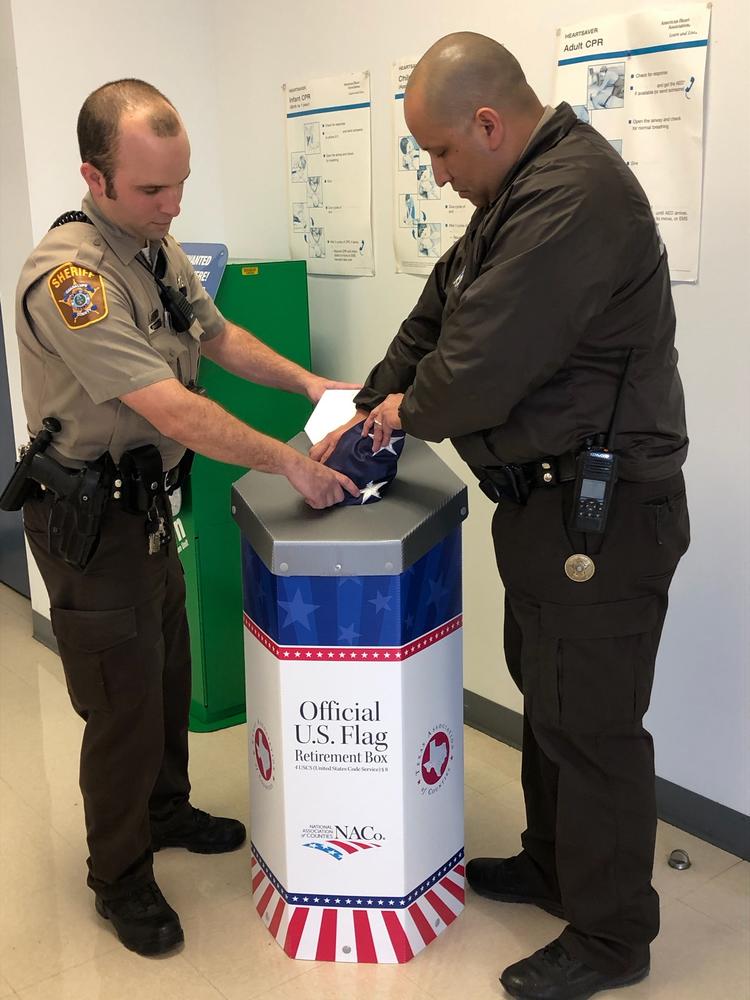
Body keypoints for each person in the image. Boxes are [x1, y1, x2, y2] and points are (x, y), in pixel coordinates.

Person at [311, 32, 689, 1000]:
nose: (436, 176)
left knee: (594, 724)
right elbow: (436, 319)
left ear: (489, 122)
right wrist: (363, 405)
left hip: (598, 514)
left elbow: (475, 370)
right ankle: (557, 866)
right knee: (553, 700)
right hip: (546, 508)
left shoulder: (574, 196)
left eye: (440, 151)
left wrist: (399, 412)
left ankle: (610, 936)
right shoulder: (509, 198)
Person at [13, 78, 358, 958]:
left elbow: (216, 336)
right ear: (95, 177)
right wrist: (288, 459)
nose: (172, 207)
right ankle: (119, 876)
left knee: (166, 673)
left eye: (180, 186)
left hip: (149, 511)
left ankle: (164, 809)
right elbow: (170, 407)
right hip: (88, 523)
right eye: (151, 190)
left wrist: (310, 384)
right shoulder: (72, 279)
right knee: (122, 705)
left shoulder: (150, 247)